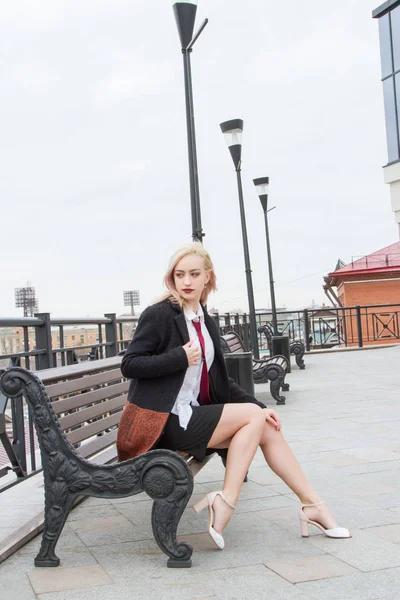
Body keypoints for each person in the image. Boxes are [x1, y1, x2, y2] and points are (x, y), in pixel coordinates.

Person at [117, 242, 350, 550]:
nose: (187, 281)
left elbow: (221, 382)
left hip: (190, 417)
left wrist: (257, 406)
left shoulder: (204, 320)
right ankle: (227, 501)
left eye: (194, 274)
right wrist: (178, 357)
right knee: (256, 421)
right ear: (171, 279)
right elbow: (130, 364)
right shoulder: (159, 315)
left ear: (207, 278)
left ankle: (313, 504)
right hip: (162, 424)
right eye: (180, 274)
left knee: (266, 425)